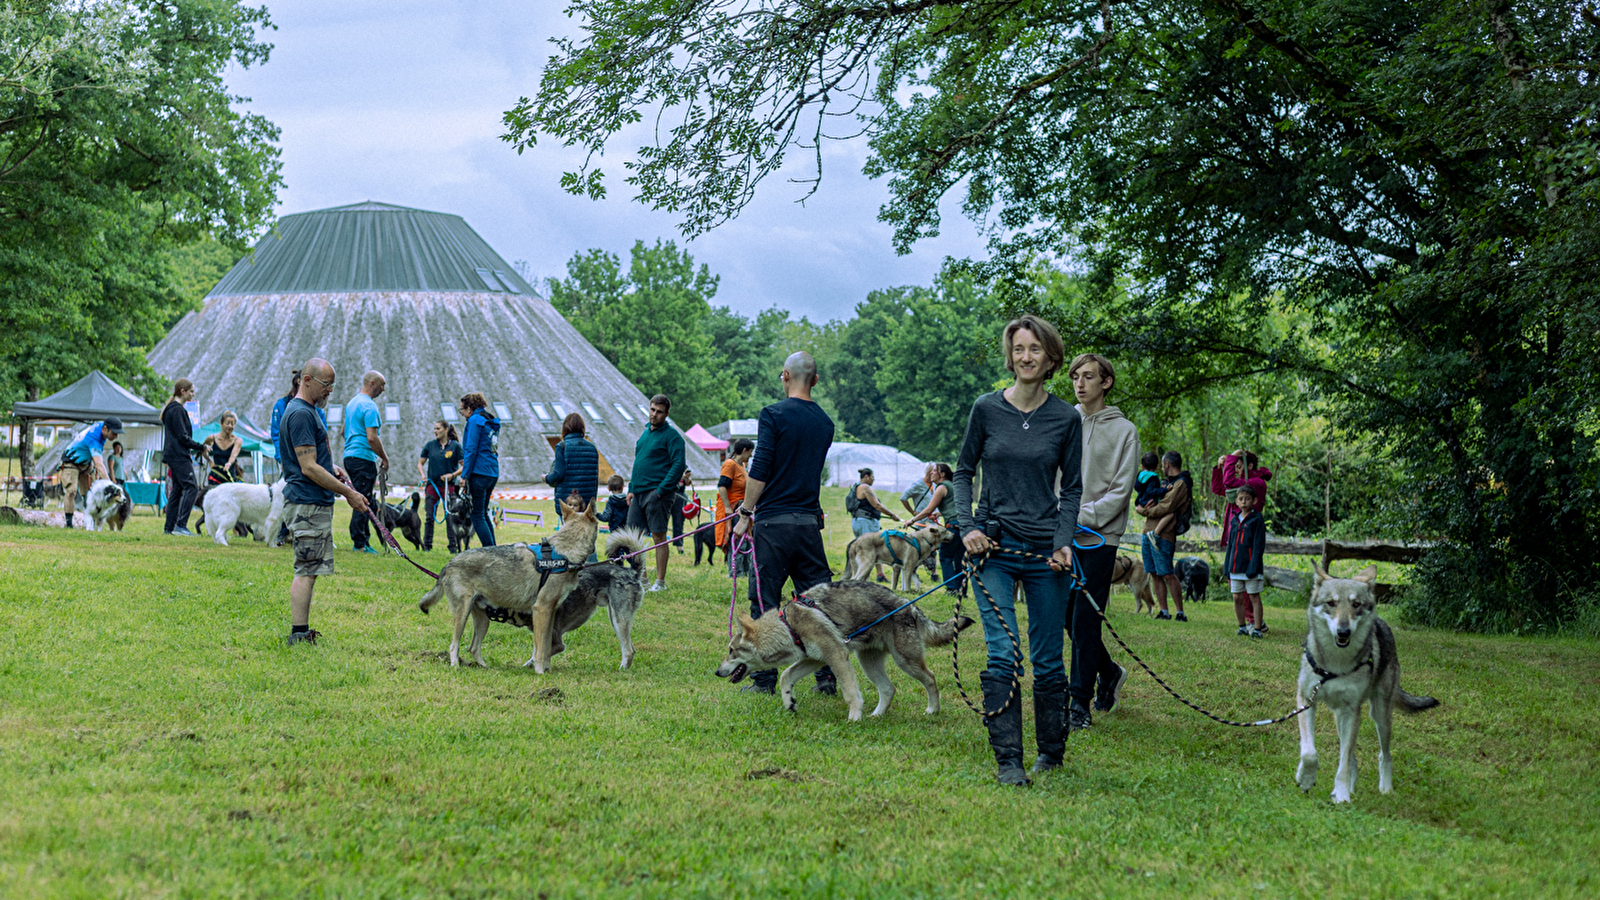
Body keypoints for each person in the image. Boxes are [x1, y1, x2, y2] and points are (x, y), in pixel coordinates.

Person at [953, 315, 1082, 786]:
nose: (1026, 357)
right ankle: (1008, 760)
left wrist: (1064, 543)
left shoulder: (1066, 418)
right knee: (1003, 651)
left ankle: (1051, 751)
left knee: (1048, 657)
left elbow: (1072, 490)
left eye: (1036, 349)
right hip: (993, 549)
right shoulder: (986, 409)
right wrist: (966, 527)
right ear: (1011, 355)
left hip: (1047, 554)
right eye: (1019, 348)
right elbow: (963, 472)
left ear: (1051, 359)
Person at [732, 351, 837, 696]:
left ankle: (763, 680)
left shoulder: (773, 414)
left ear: (784, 376)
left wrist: (745, 514)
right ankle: (828, 676)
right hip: (808, 524)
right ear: (816, 381)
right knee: (819, 603)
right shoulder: (824, 422)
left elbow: (760, 469)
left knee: (764, 602)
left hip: (773, 524)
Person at [1069, 352, 1140, 730]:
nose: (1080, 384)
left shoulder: (1123, 430)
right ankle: (1109, 671)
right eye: (1075, 377)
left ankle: (1077, 703)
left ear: (1106, 382)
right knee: (1067, 617)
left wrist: (1081, 516)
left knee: (1085, 618)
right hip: (1060, 534)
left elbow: (1120, 490)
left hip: (1099, 536)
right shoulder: (1065, 421)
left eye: (1089, 377)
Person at [278, 357, 370, 645]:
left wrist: (333, 470)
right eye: (325, 384)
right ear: (307, 381)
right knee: (306, 570)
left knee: (310, 568)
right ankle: (299, 633)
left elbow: (313, 461)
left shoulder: (307, 410)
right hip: (307, 501)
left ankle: (301, 630)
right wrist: (349, 493)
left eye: (332, 385)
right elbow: (307, 466)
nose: (330, 390)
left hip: (311, 500)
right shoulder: (302, 413)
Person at [627, 394, 686, 592]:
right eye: (652, 410)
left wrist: (661, 490)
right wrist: (630, 488)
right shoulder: (645, 434)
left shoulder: (672, 436)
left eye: (659, 412)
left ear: (666, 414)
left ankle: (659, 582)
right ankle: (641, 579)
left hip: (658, 493)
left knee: (659, 536)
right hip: (639, 492)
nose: (654, 414)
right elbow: (638, 463)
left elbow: (679, 464)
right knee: (633, 536)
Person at [1137, 451, 1192, 621]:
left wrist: (1143, 510)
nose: (1161, 468)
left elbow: (1166, 507)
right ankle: (1164, 611)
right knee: (1154, 573)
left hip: (1164, 535)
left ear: (1167, 464)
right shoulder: (1165, 483)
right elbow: (1149, 497)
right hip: (1148, 532)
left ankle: (1180, 613)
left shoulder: (1181, 484)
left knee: (1167, 573)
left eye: (1162, 465)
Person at [341, 371, 389, 554]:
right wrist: (384, 457)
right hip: (363, 457)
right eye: (382, 385)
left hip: (349, 456)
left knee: (364, 497)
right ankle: (359, 543)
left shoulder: (352, 403)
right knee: (362, 500)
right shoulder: (370, 407)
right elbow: (372, 438)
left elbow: (343, 432)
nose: (383, 389)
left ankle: (365, 540)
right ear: (372, 383)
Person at [907, 462, 965, 595]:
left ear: (942, 474)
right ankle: (962, 590)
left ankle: (951, 589)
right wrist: (940, 514)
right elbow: (954, 505)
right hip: (963, 526)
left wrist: (912, 520)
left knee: (945, 557)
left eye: (934, 471)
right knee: (959, 560)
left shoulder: (941, 487)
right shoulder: (952, 485)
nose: (931, 473)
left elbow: (928, 509)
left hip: (953, 527)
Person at [59, 417, 125, 529]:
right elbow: (99, 464)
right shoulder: (94, 438)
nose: (116, 436)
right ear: (106, 429)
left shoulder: (102, 428)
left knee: (91, 493)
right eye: (114, 433)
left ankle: (90, 523)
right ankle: (69, 525)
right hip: (71, 461)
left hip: (86, 463)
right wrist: (111, 485)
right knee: (71, 491)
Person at [160, 379, 206, 536]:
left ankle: (169, 527)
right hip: (179, 455)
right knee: (191, 486)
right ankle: (180, 525)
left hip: (173, 455)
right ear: (182, 391)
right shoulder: (178, 410)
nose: (193, 394)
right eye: (191, 391)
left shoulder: (170, 409)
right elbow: (182, 437)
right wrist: (201, 447)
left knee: (178, 490)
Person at [1226, 481, 1268, 637]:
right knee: (1237, 597)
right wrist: (1227, 566)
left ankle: (1257, 628)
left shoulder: (1256, 520)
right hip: (1235, 566)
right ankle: (1242, 626)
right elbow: (1230, 545)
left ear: (1254, 501)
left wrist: (1254, 565)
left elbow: (1259, 546)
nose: (1244, 502)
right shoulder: (1234, 520)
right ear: (1236, 501)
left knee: (1253, 596)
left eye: (1247, 499)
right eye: (1241, 499)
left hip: (1251, 567)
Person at [459, 392, 501, 548]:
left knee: (476, 515)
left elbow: (471, 448)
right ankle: (494, 549)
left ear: (470, 408)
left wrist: (464, 474)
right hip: (492, 471)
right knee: (483, 513)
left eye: (462, 410)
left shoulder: (475, 420)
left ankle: (491, 553)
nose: (462, 413)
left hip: (479, 473)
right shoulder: (489, 420)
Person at [848, 468, 902, 582]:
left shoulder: (856, 487)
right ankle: (861, 580)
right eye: (873, 477)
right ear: (867, 476)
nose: (873, 480)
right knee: (867, 551)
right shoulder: (864, 487)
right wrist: (892, 515)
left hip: (861, 521)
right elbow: (877, 505)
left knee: (874, 548)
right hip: (865, 522)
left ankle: (880, 575)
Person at [1212, 448, 1273, 550]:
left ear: (1250, 466)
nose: (1236, 470)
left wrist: (1231, 459)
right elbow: (1218, 488)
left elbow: (1229, 482)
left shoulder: (1257, 482)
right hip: (1237, 532)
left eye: (1239, 467)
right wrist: (1219, 468)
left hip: (1247, 533)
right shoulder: (1241, 483)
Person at [417, 420, 463, 552]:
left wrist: (452, 475)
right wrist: (422, 475)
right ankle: (427, 546)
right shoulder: (430, 446)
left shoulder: (455, 446)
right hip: (433, 486)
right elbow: (420, 463)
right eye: (434, 429)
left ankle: (453, 547)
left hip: (449, 487)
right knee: (429, 517)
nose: (435, 431)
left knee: (450, 517)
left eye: (438, 429)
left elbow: (464, 466)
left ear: (446, 430)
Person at [545, 412, 599, 516]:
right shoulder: (592, 448)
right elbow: (595, 478)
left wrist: (546, 478)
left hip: (568, 503)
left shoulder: (562, 446)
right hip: (586, 504)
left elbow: (557, 475)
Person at [716, 438, 755, 569]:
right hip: (733, 508)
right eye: (750, 452)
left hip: (743, 507)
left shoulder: (742, 465)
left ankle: (744, 570)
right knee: (738, 541)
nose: (751, 455)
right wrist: (727, 507)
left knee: (746, 541)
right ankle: (735, 572)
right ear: (744, 451)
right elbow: (722, 487)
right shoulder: (729, 464)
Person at [203, 411, 244, 485]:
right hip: (215, 476)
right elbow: (202, 449)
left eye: (232, 424)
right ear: (221, 424)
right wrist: (209, 461)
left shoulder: (238, 440)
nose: (230, 426)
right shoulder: (212, 438)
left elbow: (233, 455)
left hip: (229, 477)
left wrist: (229, 463)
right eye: (227, 423)